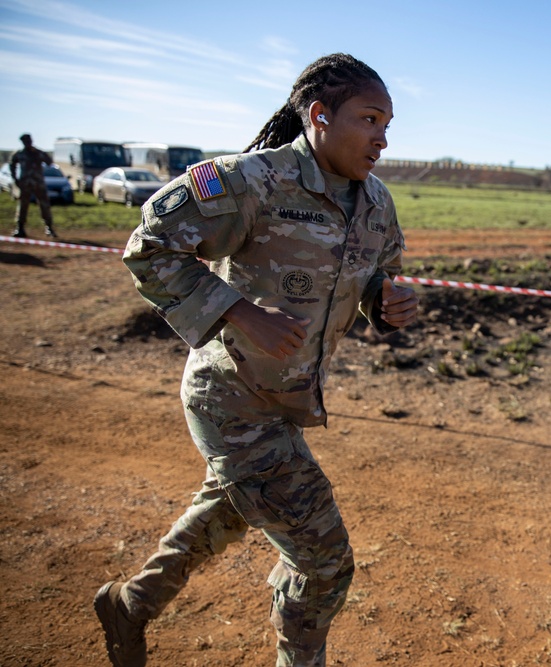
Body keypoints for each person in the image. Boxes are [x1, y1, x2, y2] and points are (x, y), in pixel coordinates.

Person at [94, 53, 419, 667]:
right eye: (369, 119)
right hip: (231, 401)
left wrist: (386, 299)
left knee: (224, 514)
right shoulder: (249, 181)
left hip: (289, 398)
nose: (382, 138)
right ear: (320, 116)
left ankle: (130, 604)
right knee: (323, 561)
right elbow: (149, 245)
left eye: (388, 123)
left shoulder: (375, 200)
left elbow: (379, 270)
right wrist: (240, 312)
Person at [10, 133, 57, 238]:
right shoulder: (19, 154)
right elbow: (12, 164)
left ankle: (49, 227)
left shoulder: (38, 153)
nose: (28, 143)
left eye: (29, 140)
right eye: (25, 141)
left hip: (38, 183)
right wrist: (15, 178)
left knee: (44, 205)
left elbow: (49, 162)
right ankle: (20, 228)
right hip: (25, 183)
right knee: (23, 206)